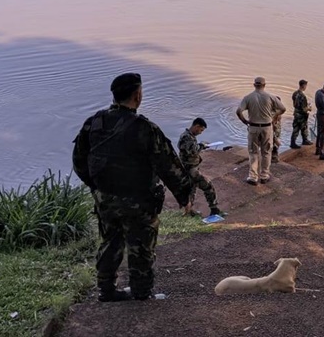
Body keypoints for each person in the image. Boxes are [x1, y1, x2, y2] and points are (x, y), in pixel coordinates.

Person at [72, 72, 192, 302]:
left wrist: (97, 187)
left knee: (110, 242)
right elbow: (168, 165)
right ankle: (141, 293)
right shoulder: (144, 128)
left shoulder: (94, 123)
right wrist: (184, 195)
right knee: (140, 247)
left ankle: (106, 290)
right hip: (139, 200)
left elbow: (79, 160)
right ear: (138, 95)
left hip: (105, 199)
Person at [236, 77, 286, 185]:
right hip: (267, 127)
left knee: (253, 152)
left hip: (253, 127)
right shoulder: (270, 97)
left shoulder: (248, 97)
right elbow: (283, 109)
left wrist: (245, 121)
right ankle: (264, 175)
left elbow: (239, 111)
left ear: (254, 85)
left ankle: (253, 177)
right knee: (266, 152)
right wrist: (275, 116)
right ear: (264, 85)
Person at [178, 117, 222, 217]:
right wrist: (201, 145)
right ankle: (214, 209)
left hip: (189, 168)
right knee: (208, 186)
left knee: (191, 190)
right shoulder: (187, 137)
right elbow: (193, 151)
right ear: (196, 126)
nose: (200, 132)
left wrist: (200, 145)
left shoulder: (188, 136)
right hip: (190, 169)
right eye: (201, 130)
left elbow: (191, 148)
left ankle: (188, 212)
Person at [290, 80, 313, 149]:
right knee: (302, 127)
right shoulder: (302, 96)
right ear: (303, 85)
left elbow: (294, 104)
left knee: (296, 127)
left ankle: (293, 142)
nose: (306, 87)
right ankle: (303, 140)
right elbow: (304, 109)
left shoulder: (294, 93)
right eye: (306, 85)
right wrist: (309, 108)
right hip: (301, 115)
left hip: (296, 113)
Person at [271, 97, 283, 163]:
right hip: (274, 131)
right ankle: (274, 157)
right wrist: (275, 137)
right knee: (274, 145)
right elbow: (272, 124)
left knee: (274, 145)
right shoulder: (274, 112)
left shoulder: (277, 111)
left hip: (276, 131)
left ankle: (273, 156)